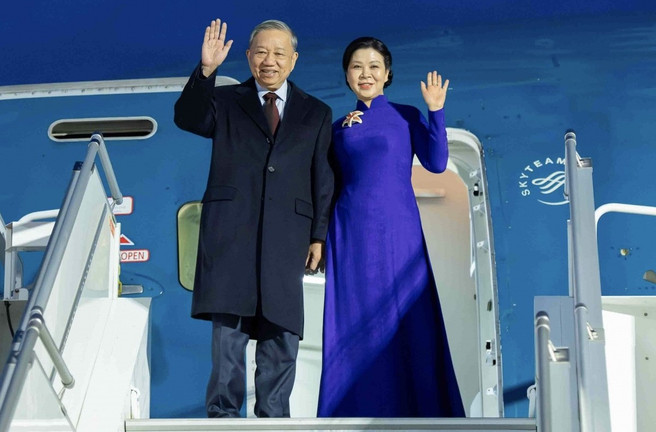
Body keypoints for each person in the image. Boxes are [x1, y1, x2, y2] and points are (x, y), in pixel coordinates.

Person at [174, 18, 333, 418]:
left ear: (293, 60)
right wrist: (206, 71)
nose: (269, 60)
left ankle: (274, 420)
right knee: (228, 338)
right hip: (232, 233)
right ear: (248, 57)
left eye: (279, 53)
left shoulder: (316, 112)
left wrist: (318, 236)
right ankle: (223, 417)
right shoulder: (227, 100)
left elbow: (322, 178)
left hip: (288, 238)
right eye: (261, 52)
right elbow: (188, 118)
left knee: (281, 335)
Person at [317, 37, 465, 417]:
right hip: (350, 233)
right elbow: (327, 186)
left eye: (374, 66)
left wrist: (436, 111)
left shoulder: (406, 115)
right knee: (355, 321)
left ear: (387, 74)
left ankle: (422, 414)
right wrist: (318, 239)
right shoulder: (336, 127)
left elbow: (436, 163)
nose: (365, 74)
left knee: (408, 319)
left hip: (399, 231)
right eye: (356, 66)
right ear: (347, 75)